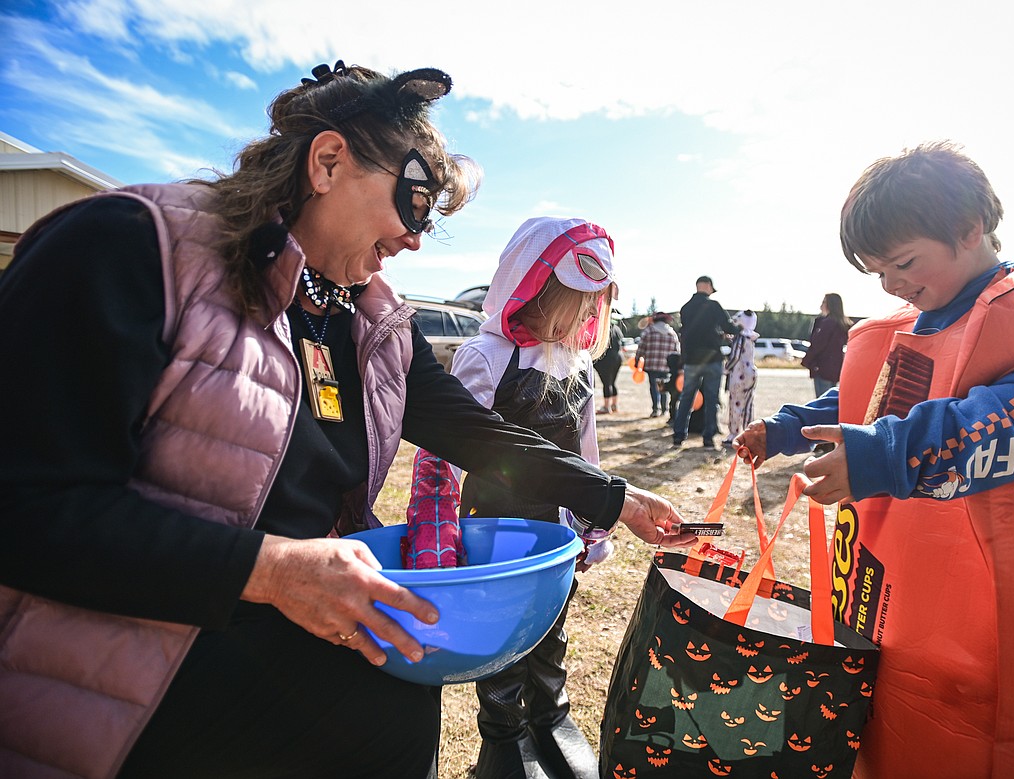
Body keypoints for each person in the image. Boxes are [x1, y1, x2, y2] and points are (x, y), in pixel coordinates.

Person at [0, 61, 696, 779]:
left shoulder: (366, 319)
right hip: (126, 677)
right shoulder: (129, 245)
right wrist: (269, 570)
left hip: (296, 648)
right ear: (328, 161)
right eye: (414, 201)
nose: (416, 237)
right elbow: (25, 510)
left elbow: (482, 434)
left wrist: (616, 496)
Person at [733, 141, 1014, 778]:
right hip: (906, 589)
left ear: (970, 228)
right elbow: (863, 397)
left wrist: (882, 456)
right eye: (878, 275)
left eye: (903, 263)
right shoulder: (914, 321)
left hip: (990, 611)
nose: (893, 285)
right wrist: (785, 429)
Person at [431, 216, 619, 779]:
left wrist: (594, 526)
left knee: (552, 624)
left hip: (556, 524)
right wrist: (435, 533)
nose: (590, 316)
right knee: (504, 627)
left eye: (598, 304)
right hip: (495, 522)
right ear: (537, 287)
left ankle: (551, 719)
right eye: (581, 301)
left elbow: (584, 455)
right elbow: (446, 445)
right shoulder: (488, 357)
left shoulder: (577, 364)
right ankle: (504, 734)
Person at [672, 275, 737, 448]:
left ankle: (678, 436)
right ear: (707, 286)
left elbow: (685, 333)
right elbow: (728, 327)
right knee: (711, 398)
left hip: (691, 360)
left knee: (686, 397)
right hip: (712, 358)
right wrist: (738, 329)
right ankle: (708, 438)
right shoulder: (713, 306)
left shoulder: (685, 308)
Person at [801, 292, 852, 398]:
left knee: (822, 400)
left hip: (822, 367)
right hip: (835, 368)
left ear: (830, 305)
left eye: (824, 302)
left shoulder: (827, 323)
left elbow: (817, 345)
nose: (821, 304)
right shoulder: (843, 324)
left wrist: (807, 361)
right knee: (830, 399)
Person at [722, 309, 759, 447]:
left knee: (735, 404)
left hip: (739, 375)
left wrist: (726, 368)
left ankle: (734, 434)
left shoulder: (740, 337)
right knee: (748, 404)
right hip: (751, 373)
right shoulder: (751, 338)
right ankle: (749, 434)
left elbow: (735, 356)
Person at [635, 310, 680, 417]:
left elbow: (641, 348)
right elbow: (677, 351)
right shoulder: (672, 333)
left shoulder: (648, 331)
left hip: (652, 364)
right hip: (667, 366)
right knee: (665, 386)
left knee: (654, 387)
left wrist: (637, 361)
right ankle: (665, 409)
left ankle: (656, 409)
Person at [593, 318, 624, 414]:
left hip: (606, 358)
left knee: (606, 383)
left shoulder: (602, 328)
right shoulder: (616, 328)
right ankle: (614, 405)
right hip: (618, 357)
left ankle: (607, 407)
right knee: (612, 382)